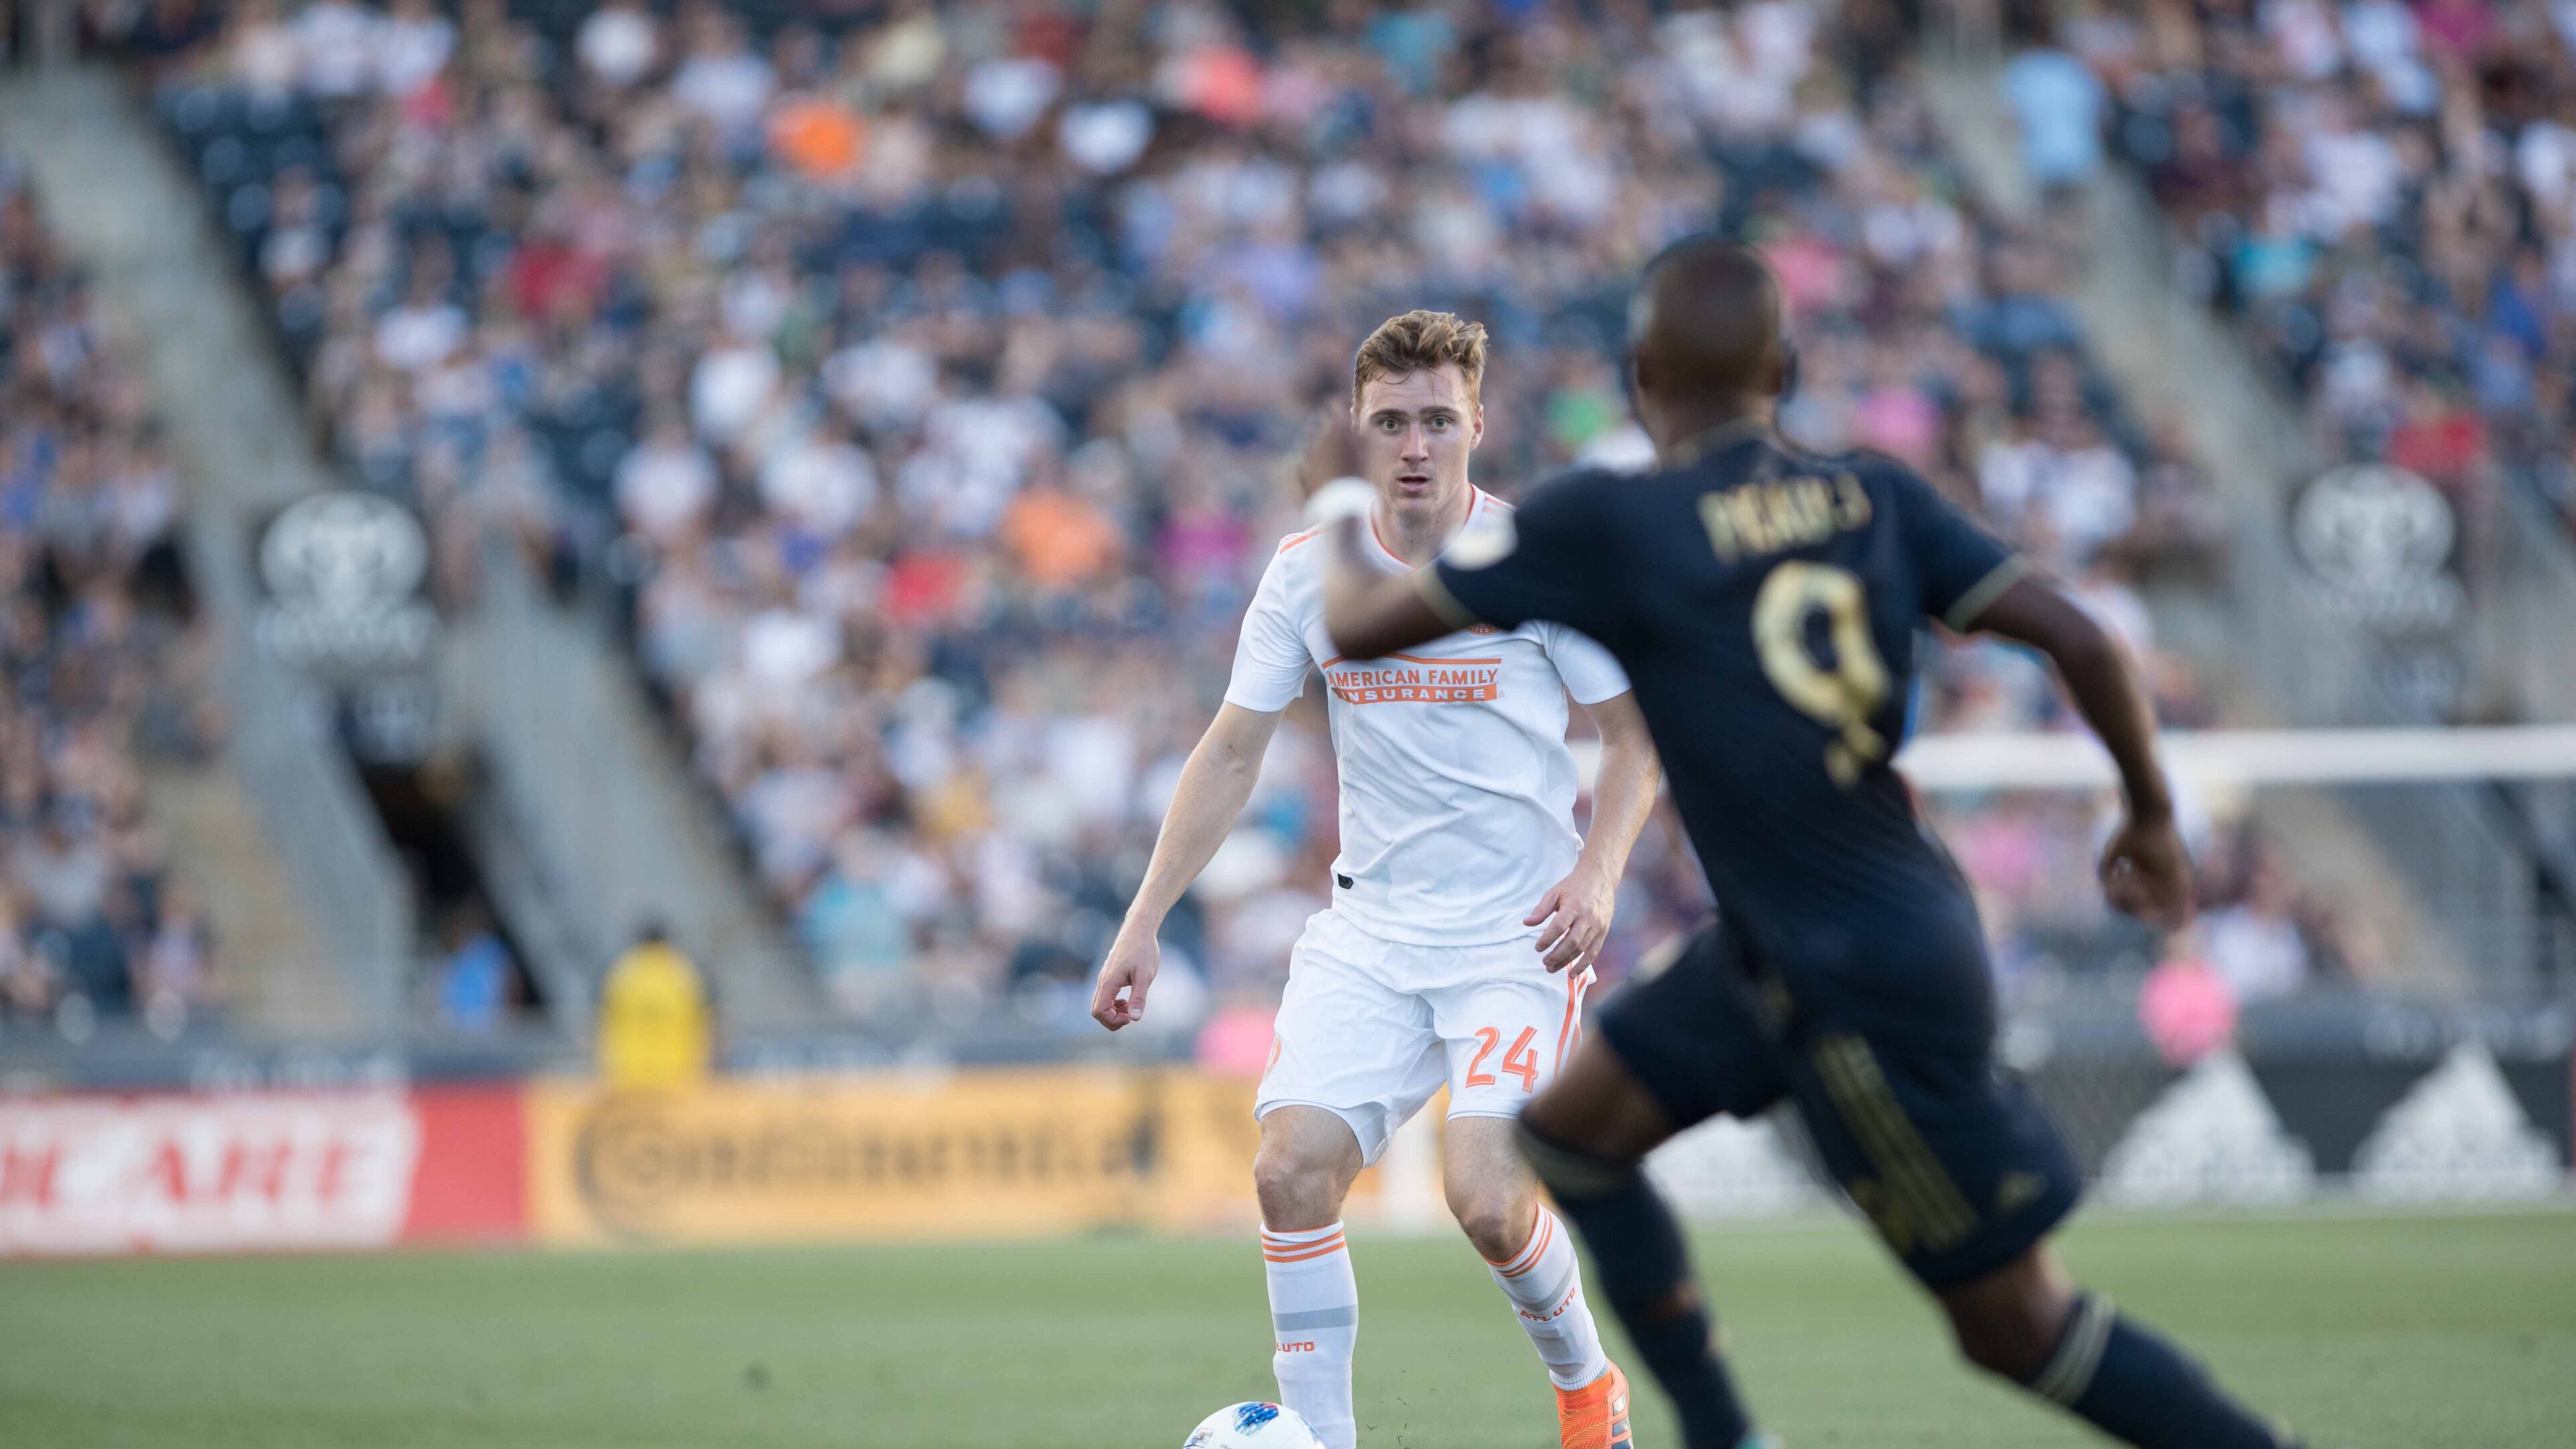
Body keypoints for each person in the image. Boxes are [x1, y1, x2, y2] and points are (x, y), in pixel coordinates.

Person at [1316, 239, 2300, 1449]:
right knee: (1573, 1136)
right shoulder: (1878, 498)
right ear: (1782, 368)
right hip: (1820, 936)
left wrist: (1333, 500)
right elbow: (2084, 638)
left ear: (1641, 375)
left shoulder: (1611, 525)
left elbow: (1360, 629)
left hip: (1853, 977)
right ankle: (1725, 1437)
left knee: (2015, 1329)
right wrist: (2148, 816)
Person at [1091, 311, 1664, 1449]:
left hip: (1516, 939)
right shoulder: (1310, 574)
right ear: (1358, 434)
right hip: (1371, 935)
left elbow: (1634, 736)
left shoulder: (1538, 566)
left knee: (1490, 1204)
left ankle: (1591, 1388)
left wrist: (1599, 876)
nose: (1414, 445)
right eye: (1391, 422)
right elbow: (1232, 748)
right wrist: (1145, 917)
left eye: (1437, 421)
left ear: (1478, 427)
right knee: (1291, 1174)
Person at [597, 921, 713, 1089]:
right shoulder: (684, 974)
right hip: (678, 1073)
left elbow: (604, 1021)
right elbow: (705, 1023)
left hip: (629, 1073)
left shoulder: (623, 973)